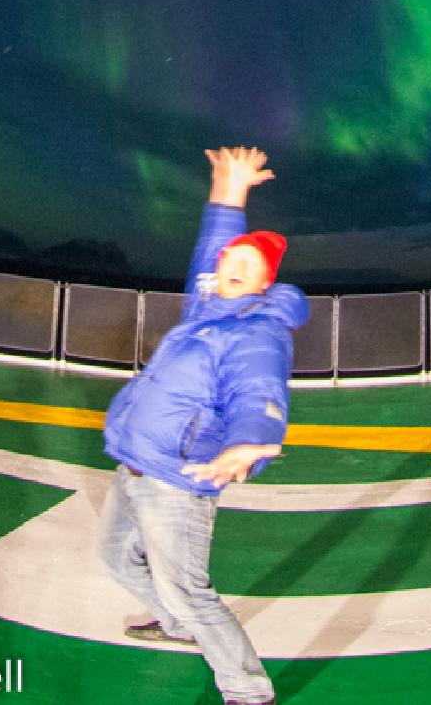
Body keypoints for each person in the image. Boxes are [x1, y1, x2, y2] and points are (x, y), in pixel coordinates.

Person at [99, 144, 309, 705]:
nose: (232, 268)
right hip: (138, 463)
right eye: (230, 263)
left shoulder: (257, 329)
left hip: (180, 478)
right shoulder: (206, 306)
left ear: (264, 285)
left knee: (191, 591)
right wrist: (229, 191)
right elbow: (214, 249)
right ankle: (178, 627)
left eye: (249, 268)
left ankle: (248, 691)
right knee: (116, 557)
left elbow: (258, 390)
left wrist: (252, 442)